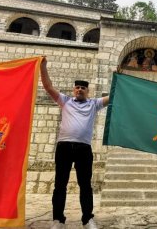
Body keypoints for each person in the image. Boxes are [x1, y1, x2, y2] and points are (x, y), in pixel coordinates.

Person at [40, 57, 109, 229]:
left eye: (83, 88)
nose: (79, 90)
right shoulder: (65, 100)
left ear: (87, 91)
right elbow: (48, 87)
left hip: (83, 149)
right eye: (77, 87)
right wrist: (43, 66)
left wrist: (120, 78)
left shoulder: (94, 104)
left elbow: (113, 96)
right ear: (73, 90)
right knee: (60, 185)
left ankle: (87, 219)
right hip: (64, 147)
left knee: (85, 185)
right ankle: (58, 220)